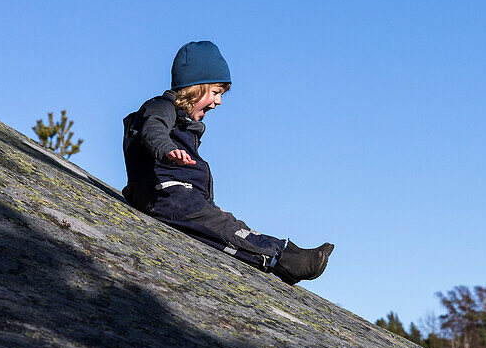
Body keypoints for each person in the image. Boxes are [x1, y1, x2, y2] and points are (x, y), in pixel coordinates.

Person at [122, 40, 333, 284]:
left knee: (229, 222)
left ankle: (286, 255)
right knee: (221, 228)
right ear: (194, 87)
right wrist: (167, 150)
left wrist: (208, 202)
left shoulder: (183, 124)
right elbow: (153, 130)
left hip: (176, 194)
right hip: (162, 194)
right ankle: (281, 259)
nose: (218, 101)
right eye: (215, 92)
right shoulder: (161, 107)